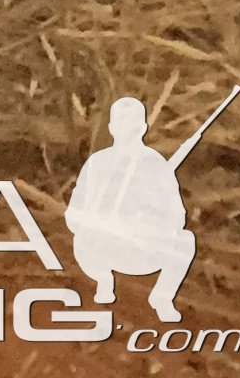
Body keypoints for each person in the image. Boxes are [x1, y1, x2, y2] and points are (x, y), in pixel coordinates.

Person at [66, 96, 199, 322]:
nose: (127, 131)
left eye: (133, 126)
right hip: (100, 248)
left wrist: (150, 219)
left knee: (185, 241)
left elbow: (177, 216)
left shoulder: (156, 164)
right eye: (122, 125)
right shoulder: (97, 163)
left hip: (142, 250)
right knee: (82, 241)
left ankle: (162, 297)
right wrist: (92, 224)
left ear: (143, 128)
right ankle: (103, 280)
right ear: (112, 128)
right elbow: (75, 209)